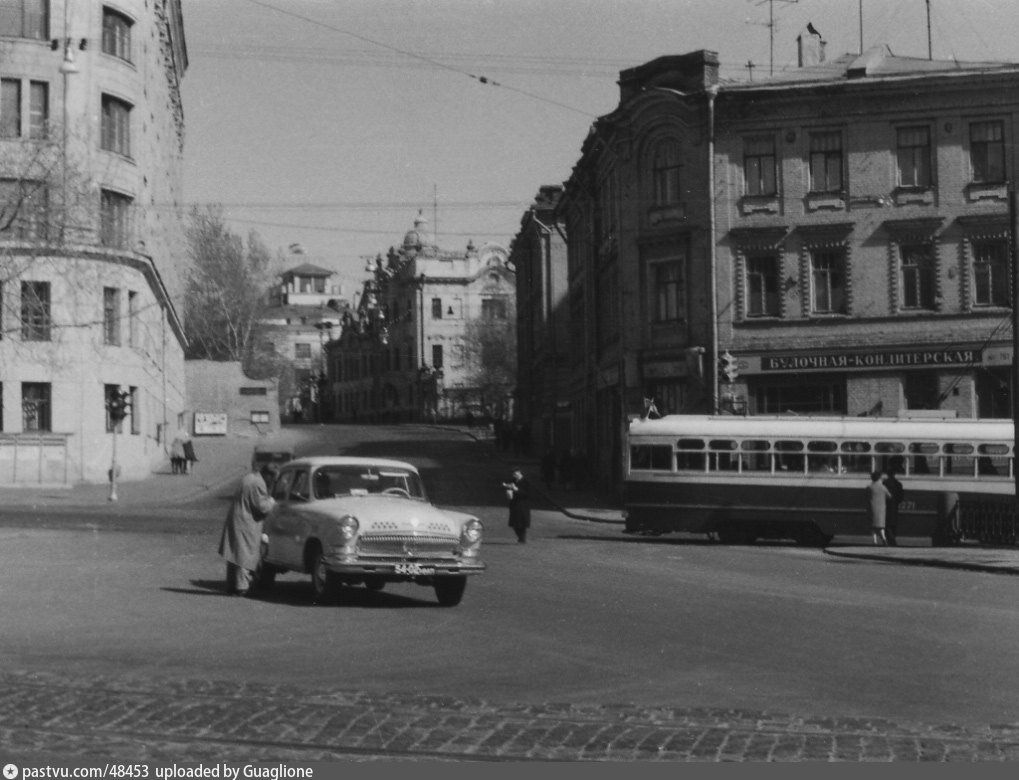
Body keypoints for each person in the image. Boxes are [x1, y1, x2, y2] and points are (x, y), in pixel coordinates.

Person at [218, 463, 278, 596]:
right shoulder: (259, 483)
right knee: (244, 555)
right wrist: (272, 501)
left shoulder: (249, 477)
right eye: (272, 479)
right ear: (268, 475)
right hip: (246, 522)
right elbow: (262, 507)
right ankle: (241, 587)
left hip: (237, 519)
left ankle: (231, 586)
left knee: (234, 554)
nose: (272, 482)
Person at [504, 468, 531, 544]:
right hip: (514, 504)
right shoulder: (513, 481)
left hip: (523, 505)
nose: (514, 476)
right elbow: (510, 488)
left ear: (520, 474)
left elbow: (527, 494)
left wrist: (516, 489)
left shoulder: (526, 482)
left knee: (521, 523)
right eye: (514, 474)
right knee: (514, 523)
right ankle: (521, 538)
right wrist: (508, 487)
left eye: (516, 474)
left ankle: (522, 539)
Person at [866, 470, 892, 546]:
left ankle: (875, 541)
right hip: (881, 509)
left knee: (873, 526)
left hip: (872, 508)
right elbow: (889, 496)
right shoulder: (883, 487)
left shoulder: (869, 487)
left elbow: (865, 496)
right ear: (879, 478)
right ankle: (884, 538)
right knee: (881, 525)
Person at [884, 469, 904, 546]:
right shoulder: (898, 484)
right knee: (894, 522)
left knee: (887, 523)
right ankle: (893, 537)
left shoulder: (884, 483)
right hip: (895, 505)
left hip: (886, 505)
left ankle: (891, 539)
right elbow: (901, 496)